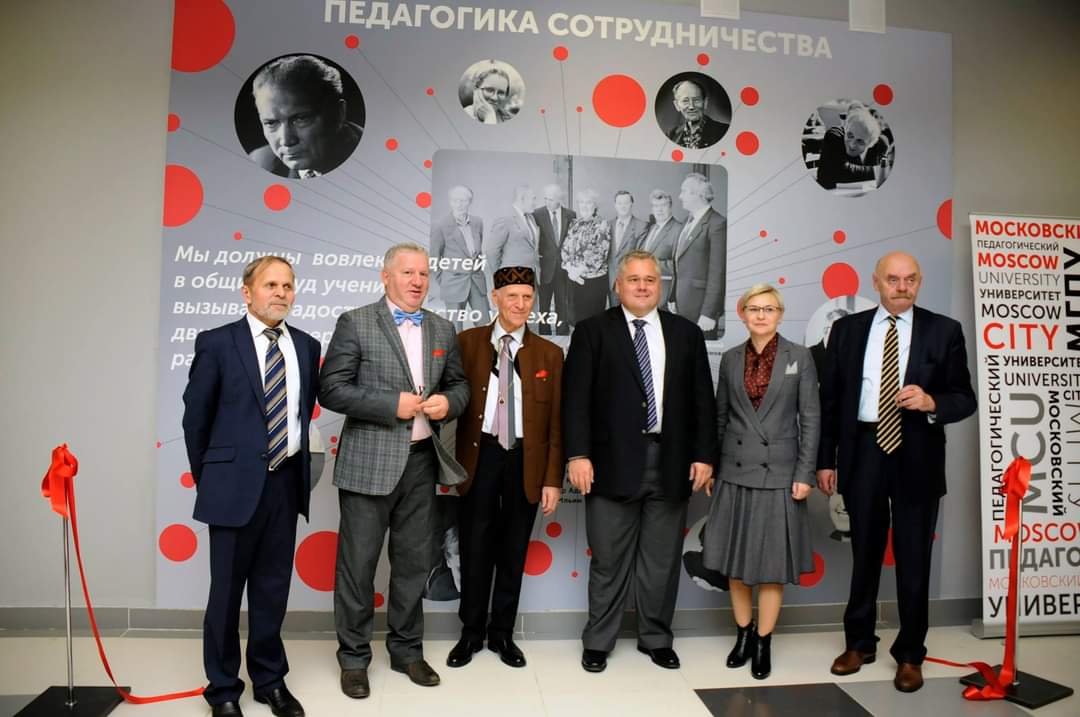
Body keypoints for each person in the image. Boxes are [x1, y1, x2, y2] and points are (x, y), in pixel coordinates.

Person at [816, 252, 976, 693]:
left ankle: (909, 654)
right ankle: (859, 644)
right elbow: (831, 401)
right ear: (876, 282)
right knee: (864, 552)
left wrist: (932, 402)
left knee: (914, 558)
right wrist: (825, 460)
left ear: (919, 282)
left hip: (917, 452)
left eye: (910, 279)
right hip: (864, 449)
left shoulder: (944, 330)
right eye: (893, 279)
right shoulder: (846, 330)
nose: (902, 287)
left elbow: (964, 397)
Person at [319, 243, 470, 699]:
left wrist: (449, 403)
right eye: (407, 273)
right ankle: (353, 659)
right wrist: (391, 404)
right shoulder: (356, 321)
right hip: (368, 464)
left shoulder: (443, 327)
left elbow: (460, 386)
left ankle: (406, 651)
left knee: (413, 564)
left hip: (422, 463)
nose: (417, 281)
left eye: (423, 273)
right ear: (386, 277)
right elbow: (332, 389)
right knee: (358, 566)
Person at [563, 250, 716, 674]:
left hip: (672, 462)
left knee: (661, 562)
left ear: (661, 285)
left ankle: (656, 638)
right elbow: (575, 401)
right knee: (608, 560)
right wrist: (578, 455)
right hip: (609, 464)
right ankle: (598, 641)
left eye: (650, 279)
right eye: (634, 279)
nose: (643, 286)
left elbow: (703, 400)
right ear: (618, 285)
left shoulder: (686, 333)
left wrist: (705, 455)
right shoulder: (592, 331)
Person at [182, 256, 321, 717]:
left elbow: (300, 414)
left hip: (285, 484)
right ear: (247, 292)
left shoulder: (307, 346)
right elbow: (196, 419)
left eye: (287, 285)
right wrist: (212, 480)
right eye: (270, 285)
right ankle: (223, 689)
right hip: (231, 488)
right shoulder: (218, 343)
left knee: (272, 590)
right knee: (225, 595)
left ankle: (269, 680)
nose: (280, 293)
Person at [447, 266, 563, 670]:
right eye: (512, 296)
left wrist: (552, 479)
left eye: (527, 297)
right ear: (495, 298)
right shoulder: (467, 342)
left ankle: (502, 634)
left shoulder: (549, 353)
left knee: (513, 550)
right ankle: (470, 633)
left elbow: (556, 424)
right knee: (474, 546)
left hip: (525, 460)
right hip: (479, 456)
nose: (520, 304)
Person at [702, 283, 819, 680]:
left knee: (770, 566)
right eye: (754, 308)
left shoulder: (799, 357)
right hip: (735, 472)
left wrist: (804, 473)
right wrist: (713, 467)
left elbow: (811, 419)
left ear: (780, 315)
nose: (761, 315)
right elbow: (720, 418)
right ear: (743, 313)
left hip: (780, 475)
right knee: (735, 563)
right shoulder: (730, 358)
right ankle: (744, 634)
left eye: (769, 309)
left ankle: (764, 641)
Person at [248, 55, 363, 179]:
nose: (286, 141)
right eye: (271, 123)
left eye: (301, 119)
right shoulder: (260, 162)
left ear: (339, 113)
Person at [672, 172, 727, 339]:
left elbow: (718, 273)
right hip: (681, 307)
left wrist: (709, 313)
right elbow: (679, 262)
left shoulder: (717, 223)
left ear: (699, 195)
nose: (680, 196)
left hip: (701, 311)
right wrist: (673, 297)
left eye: (684, 191)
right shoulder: (686, 221)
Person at [430, 185, 487, 331]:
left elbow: (478, 252)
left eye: (463, 201)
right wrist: (444, 280)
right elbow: (434, 258)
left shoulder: (478, 222)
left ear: (470, 202)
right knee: (455, 329)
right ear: (450, 202)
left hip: (476, 282)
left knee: (485, 326)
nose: (459, 204)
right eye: (455, 201)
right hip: (453, 284)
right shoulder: (441, 225)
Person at [560, 188, 611, 327]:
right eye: (582, 202)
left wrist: (578, 271)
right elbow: (565, 249)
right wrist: (570, 270)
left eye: (588, 202)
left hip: (593, 283)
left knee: (592, 323)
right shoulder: (574, 223)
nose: (585, 206)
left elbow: (600, 253)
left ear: (595, 206)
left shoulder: (602, 224)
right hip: (573, 280)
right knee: (576, 322)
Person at [815, 101, 891, 190]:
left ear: (870, 144)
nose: (852, 144)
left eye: (860, 141)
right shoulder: (834, 135)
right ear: (845, 128)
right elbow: (835, 173)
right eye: (850, 135)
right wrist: (876, 171)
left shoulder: (880, 145)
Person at [533, 184, 576, 336]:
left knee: (562, 303)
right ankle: (544, 334)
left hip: (564, 269)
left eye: (551, 199)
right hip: (545, 268)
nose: (547, 202)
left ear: (559, 199)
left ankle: (562, 333)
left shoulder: (570, 215)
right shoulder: (537, 214)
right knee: (544, 305)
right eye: (545, 198)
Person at [483, 185, 540, 280]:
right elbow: (491, 251)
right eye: (533, 199)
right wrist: (500, 274)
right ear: (522, 199)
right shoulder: (505, 218)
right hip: (511, 277)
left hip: (531, 276)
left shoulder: (531, 218)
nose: (535, 203)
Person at [638, 189, 684, 306]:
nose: (659, 209)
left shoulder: (679, 229)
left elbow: (681, 264)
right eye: (656, 206)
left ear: (670, 207)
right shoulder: (651, 228)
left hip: (665, 293)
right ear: (652, 209)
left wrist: (652, 264)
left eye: (663, 205)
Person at [606, 190, 649, 306]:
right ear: (615, 205)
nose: (623, 206)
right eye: (619, 203)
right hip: (611, 282)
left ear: (632, 204)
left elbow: (640, 257)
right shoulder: (607, 225)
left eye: (626, 202)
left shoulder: (641, 226)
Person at [665, 79, 728, 150]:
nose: (691, 106)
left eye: (696, 100)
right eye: (685, 101)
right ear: (677, 105)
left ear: (705, 103)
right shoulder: (671, 136)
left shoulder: (723, 131)